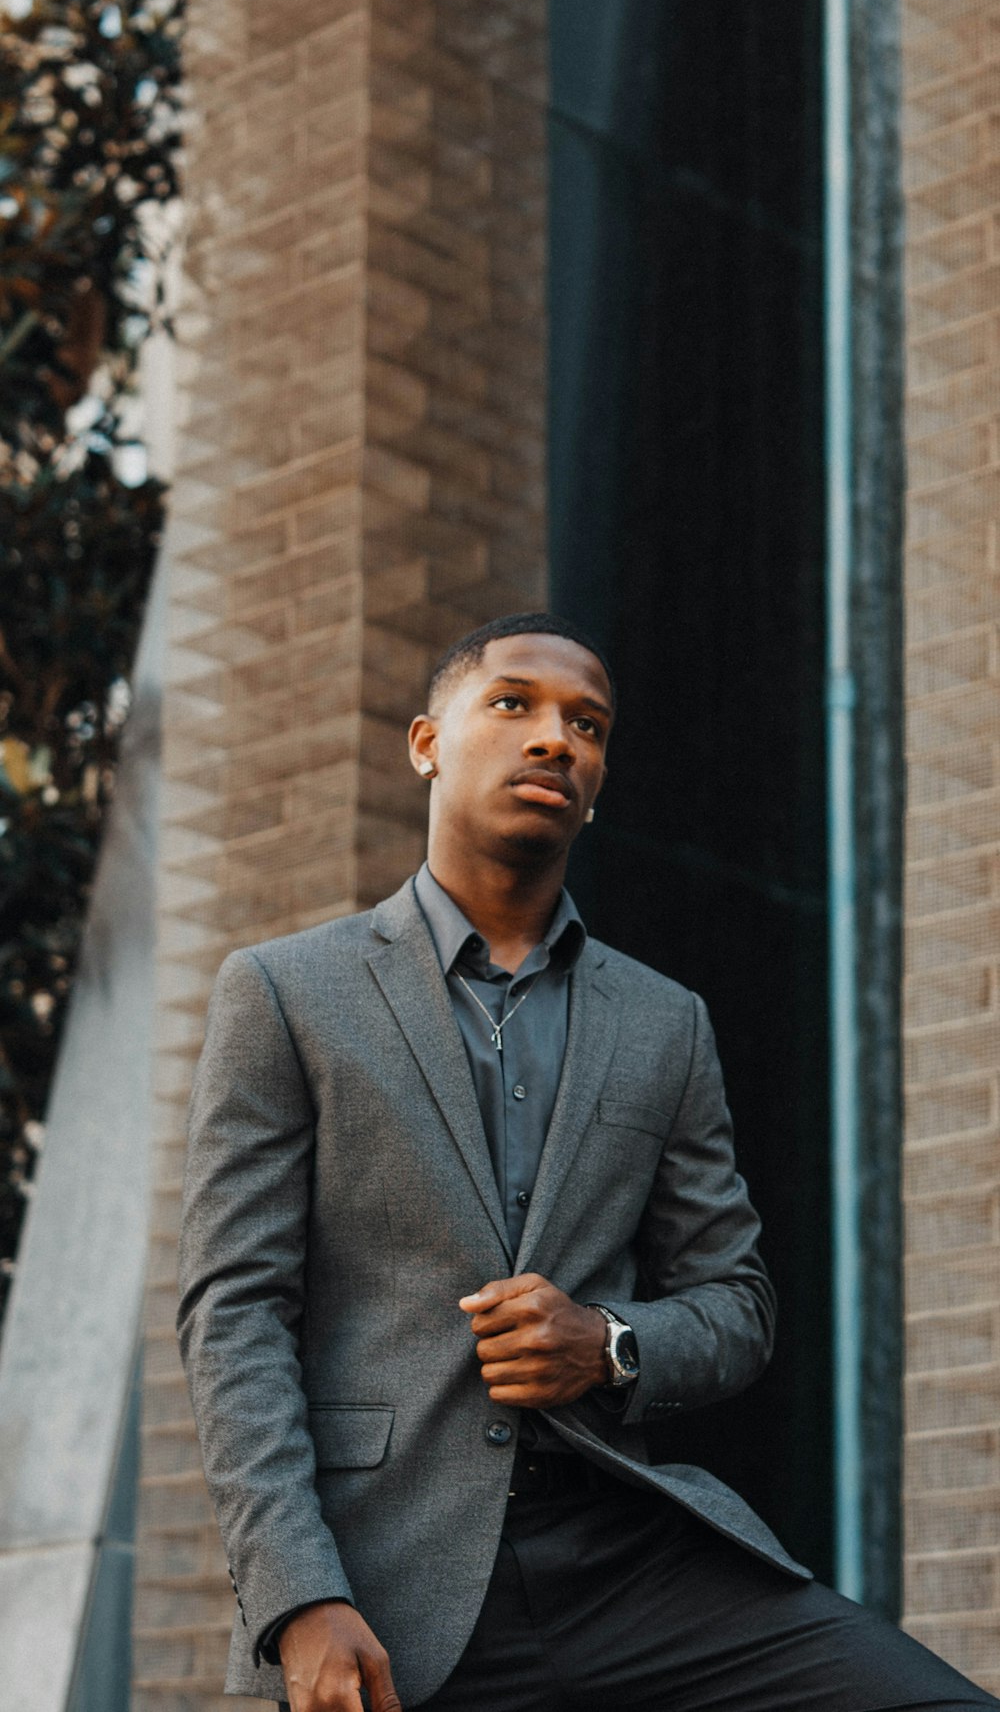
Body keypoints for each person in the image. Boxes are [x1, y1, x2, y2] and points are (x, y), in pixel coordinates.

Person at [177, 612, 998, 1712]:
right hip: (389, 1576)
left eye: (588, 724)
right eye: (512, 703)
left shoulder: (665, 1022)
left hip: (630, 1557)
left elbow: (737, 1303)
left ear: (599, 778)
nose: (555, 738)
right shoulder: (284, 992)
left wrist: (606, 1342)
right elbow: (234, 1309)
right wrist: (296, 1595)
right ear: (426, 741)